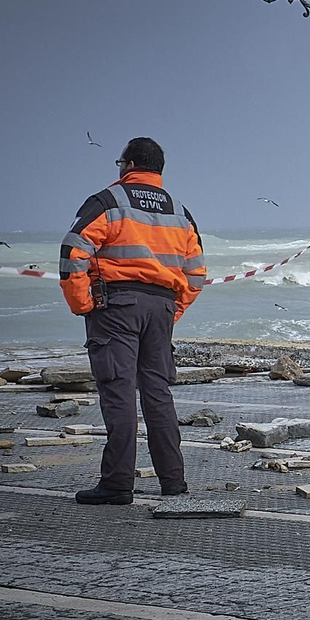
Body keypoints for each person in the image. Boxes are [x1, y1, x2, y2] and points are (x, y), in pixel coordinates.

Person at [60, 137, 206, 505]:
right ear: (158, 170)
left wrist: (83, 305)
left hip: (116, 308)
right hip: (160, 310)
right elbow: (197, 273)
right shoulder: (179, 211)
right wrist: (173, 310)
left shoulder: (108, 202)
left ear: (126, 165)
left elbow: (73, 251)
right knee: (158, 394)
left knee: (119, 391)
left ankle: (117, 484)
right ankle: (173, 483)